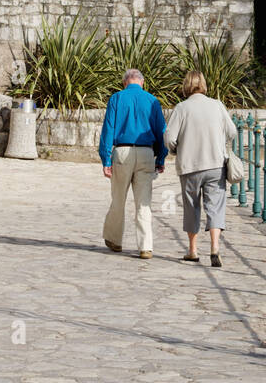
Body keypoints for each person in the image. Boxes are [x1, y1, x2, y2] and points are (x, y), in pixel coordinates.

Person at [163, 70, 237, 267]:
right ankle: (215, 248)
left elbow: (169, 137)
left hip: (190, 165)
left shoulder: (181, 108)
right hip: (215, 164)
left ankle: (193, 250)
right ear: (203, 84)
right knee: (215, 206)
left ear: (186, 85)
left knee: (191, 207)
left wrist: (176, 150)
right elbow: (232, 131)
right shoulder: (217, 105)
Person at [99, 68, 167, 259]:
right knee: (143, 202)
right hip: (146, 153)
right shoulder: (153, 100)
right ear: (142, 83)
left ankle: (115, 240)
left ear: (124, 83)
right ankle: (145, 246)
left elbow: (108, 129)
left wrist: (105, 158)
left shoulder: (117, 98)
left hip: (122, 152)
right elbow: (162, 131)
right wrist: (161, 157)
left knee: (118, 198)